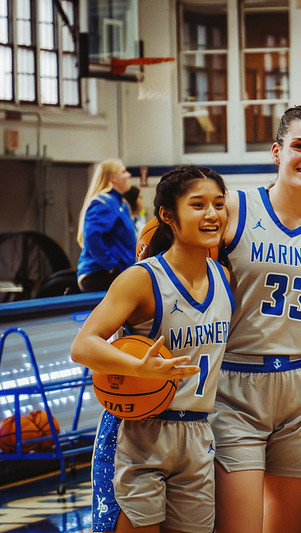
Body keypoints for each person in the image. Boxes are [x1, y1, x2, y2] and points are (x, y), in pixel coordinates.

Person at [71, 166, 233, 533]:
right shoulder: (142, 278)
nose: (212, 214)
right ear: (167, 215)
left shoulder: (223, 278)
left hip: (196, 434)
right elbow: (83, 346)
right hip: (137, 432)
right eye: (198, 205)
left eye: (219, 204)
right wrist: (139, 368)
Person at [209, 105, 301, 533]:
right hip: (235, 385)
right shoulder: (233, 207)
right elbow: (165, 252)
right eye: (300, 146)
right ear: (276, 151)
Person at [76, 159, 137, 292]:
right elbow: (92, 236)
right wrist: (110, 265)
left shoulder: (120, 204)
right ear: (112, 177)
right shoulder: (103, 203)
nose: (129, 175)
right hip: (99, 274)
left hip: (118, 272)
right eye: (123, 171)